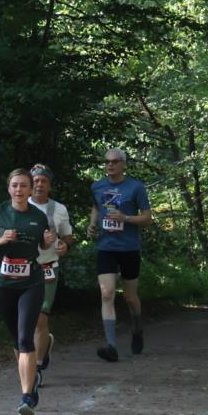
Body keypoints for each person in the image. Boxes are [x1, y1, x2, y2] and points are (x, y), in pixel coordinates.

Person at [0, 169, 56, 415]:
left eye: (23, 186)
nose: (19, 190)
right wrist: (1, 240)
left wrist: (48, 240)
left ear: (31, 190)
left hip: (31, 283)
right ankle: (29, 383)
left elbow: (44, 244)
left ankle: (26, 397)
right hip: (4, 284)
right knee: (16, 339)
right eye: (15, 185)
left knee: (25, 339)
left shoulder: (38, 216)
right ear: (8, 188)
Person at [87, 148, 152, 362]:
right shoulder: (97, 186)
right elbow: (96, 207)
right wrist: (92, 224)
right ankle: (111, 346)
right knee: (107, 293)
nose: (110, 165)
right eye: (107, 162)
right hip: (106, 247)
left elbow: (147, 218)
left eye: (115, 162)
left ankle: (137, 328)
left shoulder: (136, 187)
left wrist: (126, 218)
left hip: (129, 248)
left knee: (130, 297)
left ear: (124, 164)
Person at [28, 164, 76, 385]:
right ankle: (43, 346)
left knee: (40, 318)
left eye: (43, 181)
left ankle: (37, 368)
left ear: (50, 186)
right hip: (22, 268)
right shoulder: (19, 205)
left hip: (48, 267)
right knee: (24, 320)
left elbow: (68, 237)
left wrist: (65, 246)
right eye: (36, 181)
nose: (39, 184)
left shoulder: (59, 209)